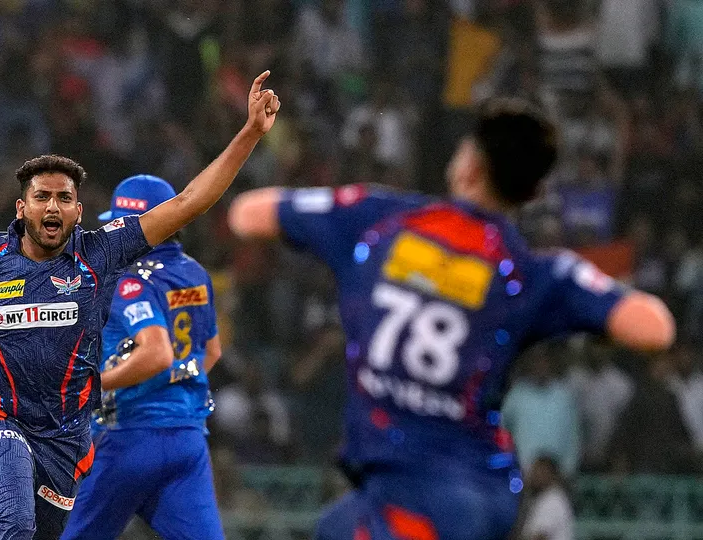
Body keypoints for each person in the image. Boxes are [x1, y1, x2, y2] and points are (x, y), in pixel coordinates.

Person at [0, 72, 280, 540]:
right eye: (41, 197)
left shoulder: (100, 252)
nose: (52, 207)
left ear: (78, 211)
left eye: (64, 198)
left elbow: (189, 201)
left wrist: (250, 133)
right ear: (21, 207)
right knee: (14, 518)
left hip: (66, 435)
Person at [228, 98, 675, 540]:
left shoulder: (378, 221)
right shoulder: (531, 274)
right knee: (334, 528)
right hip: (479, 490)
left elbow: (247, 214)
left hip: (418, 493)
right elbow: (654, 328)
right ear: (535, 192)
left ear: (469, 167)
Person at [61, 174, 224, 539]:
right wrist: (173, 387)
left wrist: (94, 387)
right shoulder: (194, 272)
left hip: (128, 437)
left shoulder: (127, 279)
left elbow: (156, 353)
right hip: (187, 439)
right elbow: (211, 351)